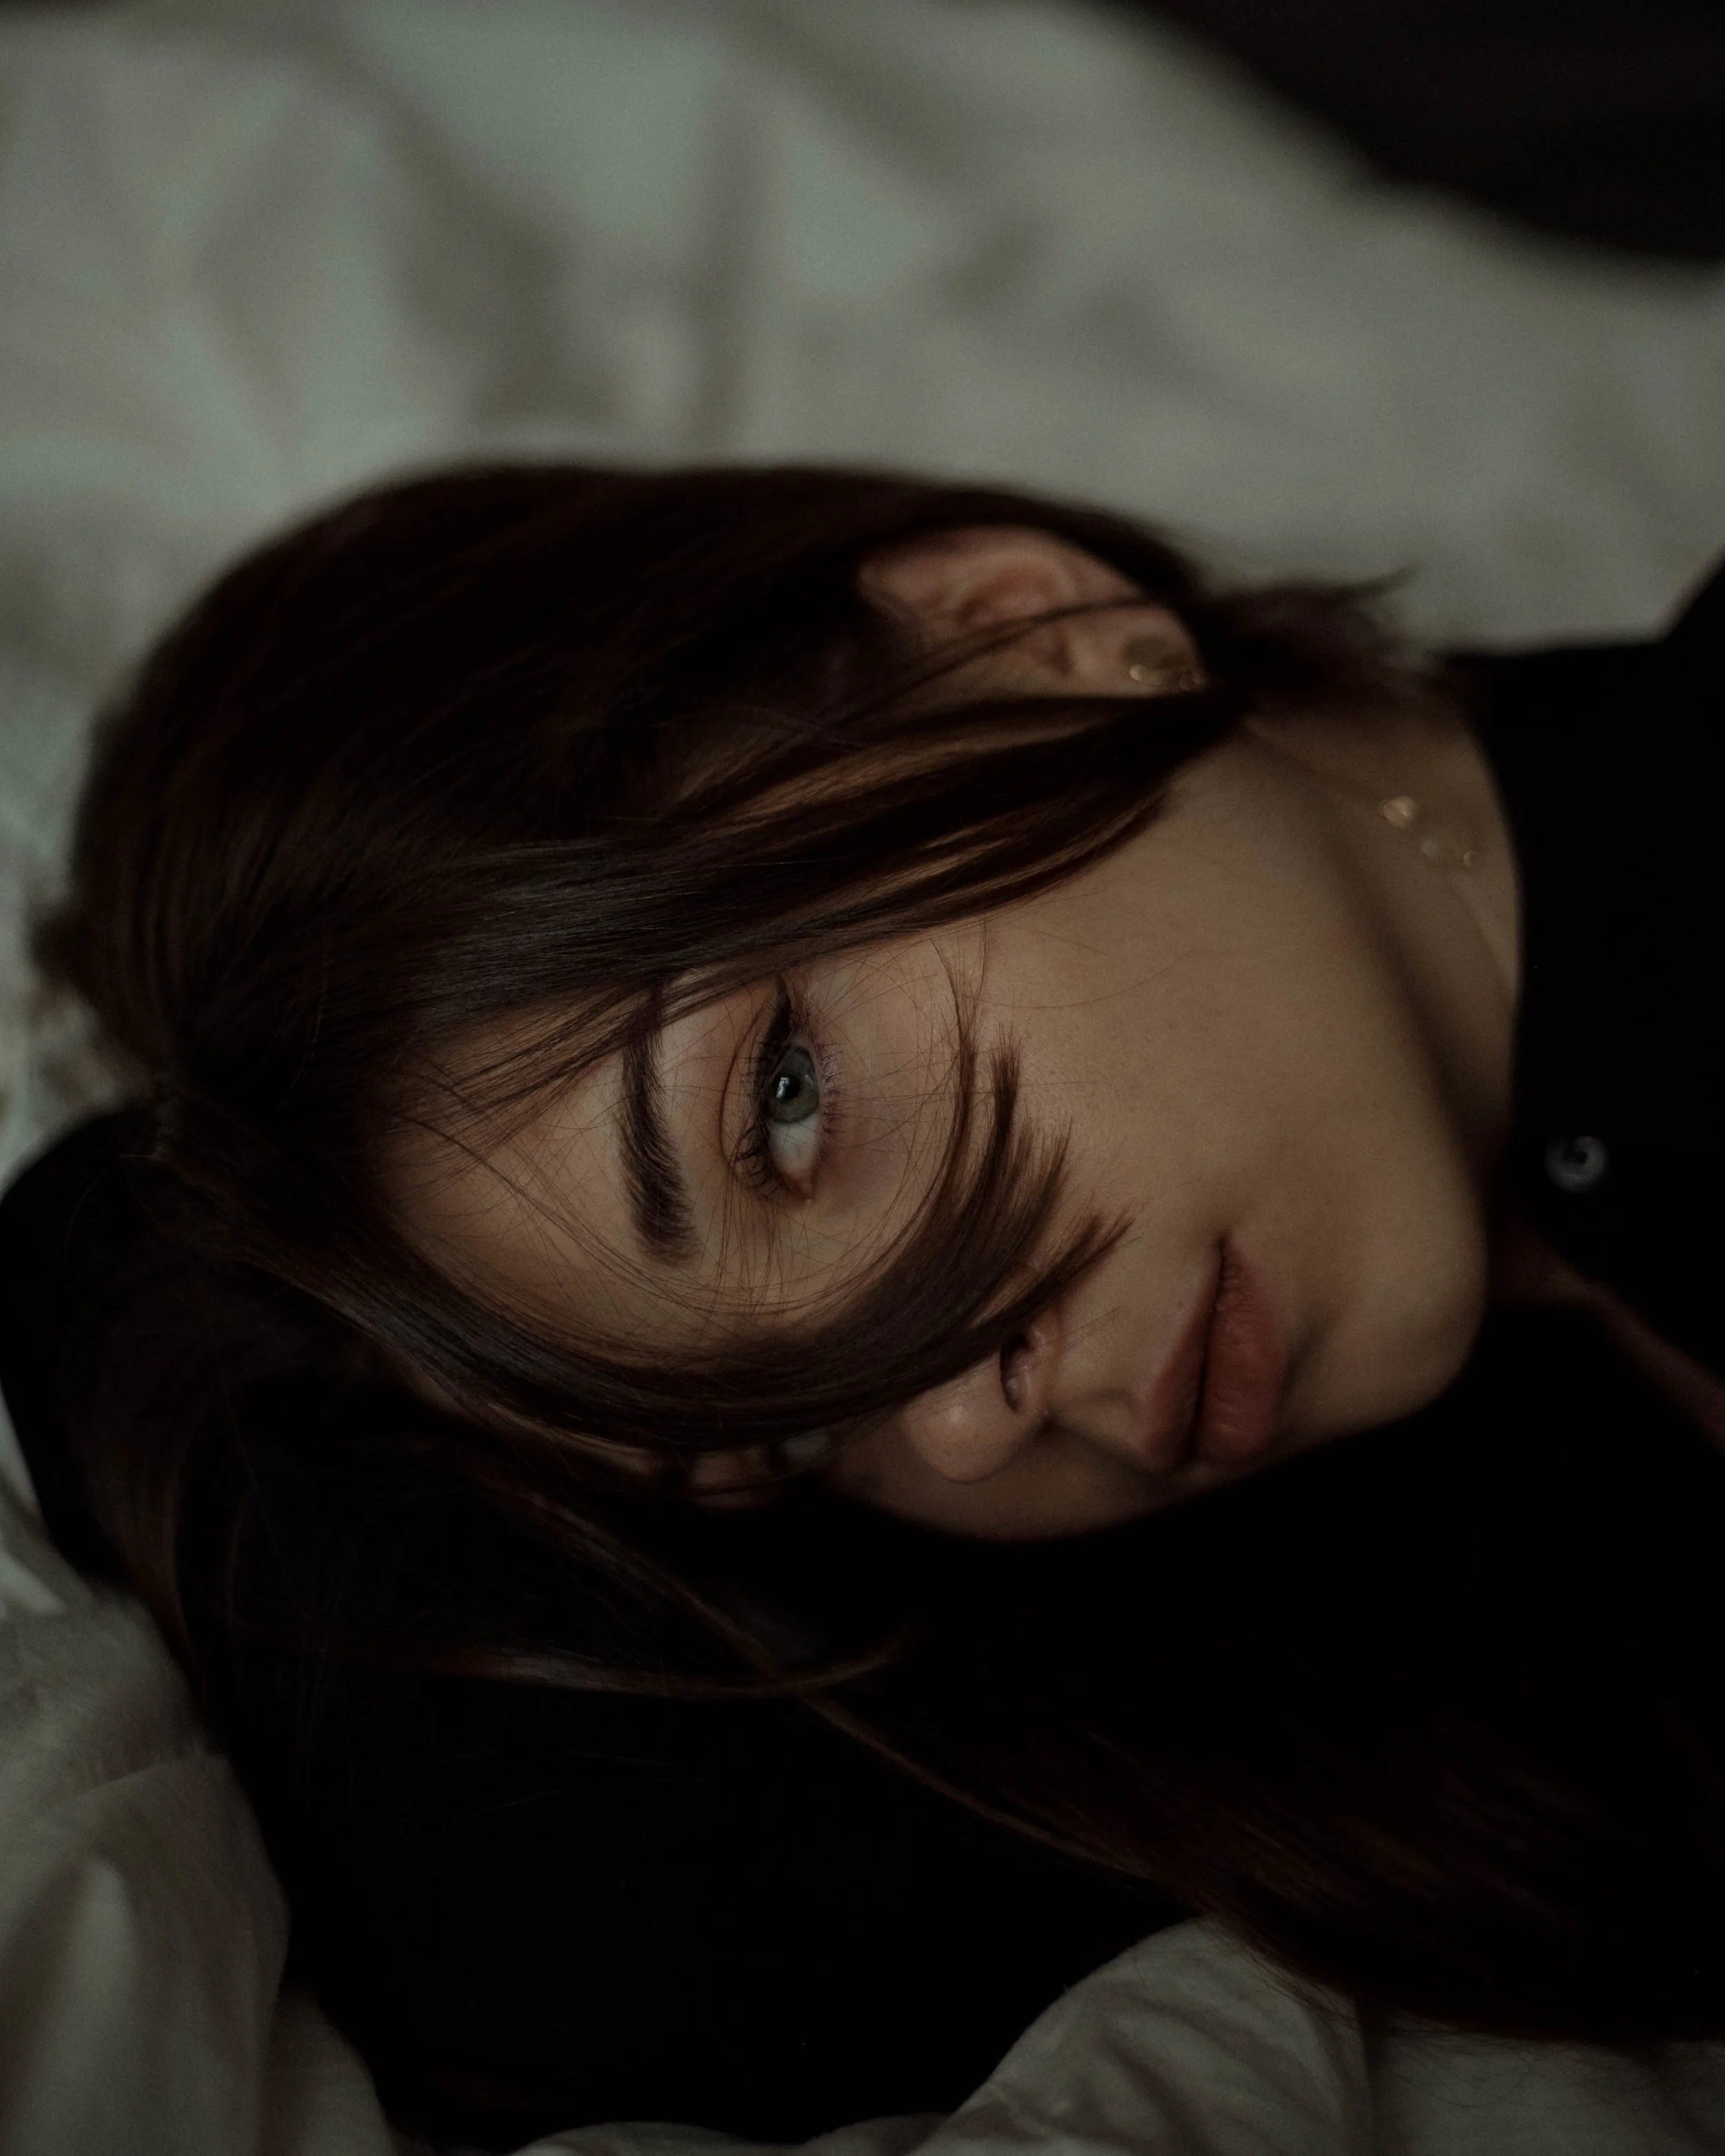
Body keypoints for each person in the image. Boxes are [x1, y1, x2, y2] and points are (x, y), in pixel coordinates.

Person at [1, 462, 1722, 2146]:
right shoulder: (1479, 1590)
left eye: (784, 1105)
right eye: (795, 1429)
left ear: (1017, 629)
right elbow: (589, 1950)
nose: (968, 1422)